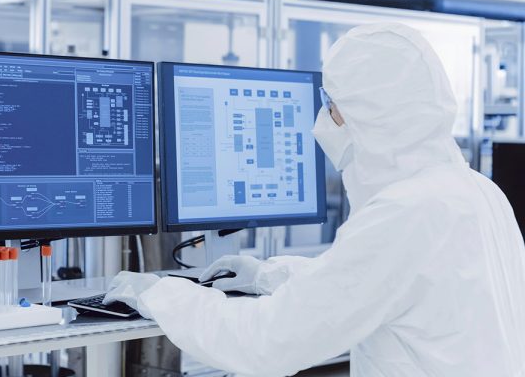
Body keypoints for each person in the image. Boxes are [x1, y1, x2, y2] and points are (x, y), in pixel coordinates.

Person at [104, 23, 525, 376]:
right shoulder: (474, 191)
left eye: (332, 106)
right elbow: (372, 285)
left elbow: (267, 343)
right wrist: (267, 274)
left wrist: (159, 295)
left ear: (369, 115)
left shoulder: (404, 214)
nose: (325, 120)